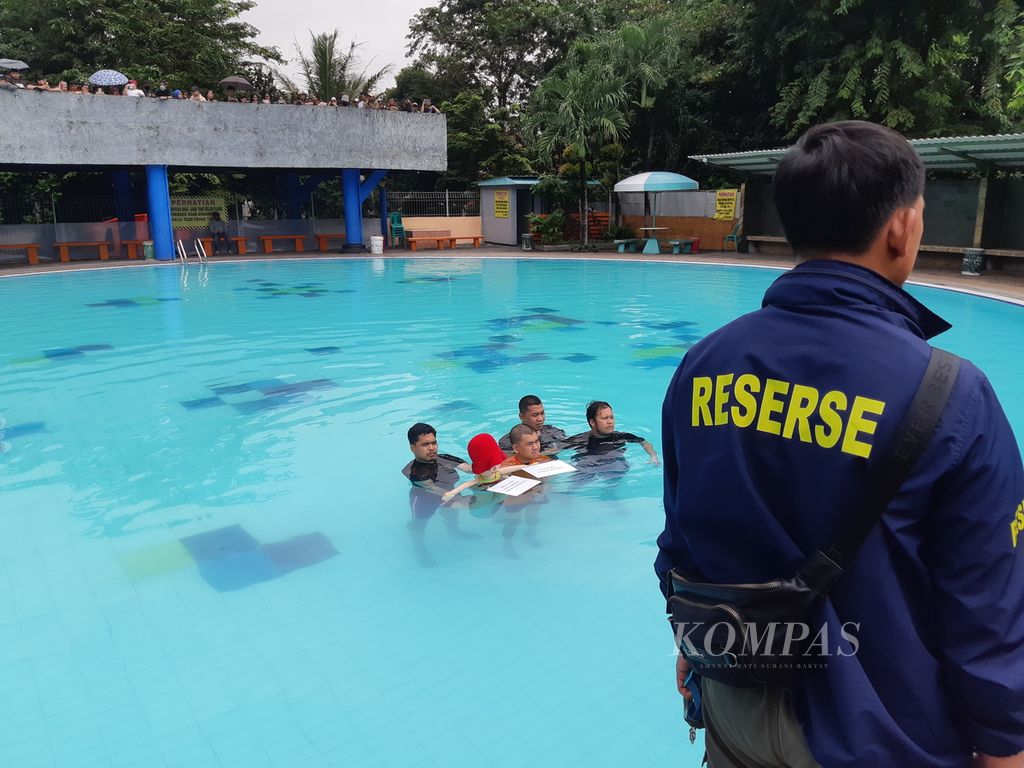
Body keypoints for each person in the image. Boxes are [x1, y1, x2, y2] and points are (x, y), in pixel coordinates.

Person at [655, 121, 1024, 768]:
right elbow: (987, 620)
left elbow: (681, 546)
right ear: (902, 228)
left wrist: (696, 651)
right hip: (881, 744)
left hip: (735, 721)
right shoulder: (951, 396)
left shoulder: (703, 366)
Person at [562, 401, 659, 468]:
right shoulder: (580, 440)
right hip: (587, 465)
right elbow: (555, 449)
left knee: (620, 467)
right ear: (592, 422)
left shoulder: (621, 436)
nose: (610, 422)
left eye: (611, 417)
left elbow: (644, 442)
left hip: (614, 465)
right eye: (605, 418)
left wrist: (653, 456)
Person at [441, 434, 519, 503]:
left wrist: (525, 466)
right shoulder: (480, 480)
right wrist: (452, 493)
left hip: (496, 491)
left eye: (496, 463)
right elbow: (467, 484)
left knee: (502, 494)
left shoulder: (497, 472)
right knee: (484, 499)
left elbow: (506, 470)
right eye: (488, 467)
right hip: (482, 489)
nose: (495, 468)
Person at [498, 395, 567, 453]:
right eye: (535, 415)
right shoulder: (508, 442)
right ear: (522, 417)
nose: (540, 419)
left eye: (542, 413)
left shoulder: (553, 432)